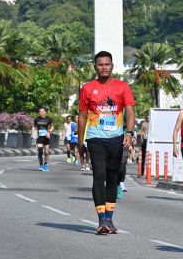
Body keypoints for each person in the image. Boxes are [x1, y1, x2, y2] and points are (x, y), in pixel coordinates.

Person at [78, 50, 135, 235]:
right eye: (100, 64)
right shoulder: (87, 88)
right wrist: (80, 142)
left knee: (113, 177)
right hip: (95, 138)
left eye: (107, 64)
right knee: (99, 175)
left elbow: (130, 112)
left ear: (112, 66)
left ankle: (109, 219)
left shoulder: (122, 87)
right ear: (95, 67)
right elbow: (82, 116)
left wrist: (129, 133)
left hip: (116, 139)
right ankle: (101, 219)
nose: (104, 67)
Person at [32, 107, 54, 172]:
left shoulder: (48, 119)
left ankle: (45, 164)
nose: (41, 113)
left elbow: (52, 127)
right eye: (40, 111)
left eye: (42, 111)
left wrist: (49, 132)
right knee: (40, 151)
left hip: (46, 137)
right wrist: (32, 134)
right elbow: (33, 127)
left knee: (46, 152)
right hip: (40, 137)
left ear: (45, 112)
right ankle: (41, 166)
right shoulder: (37, 119)